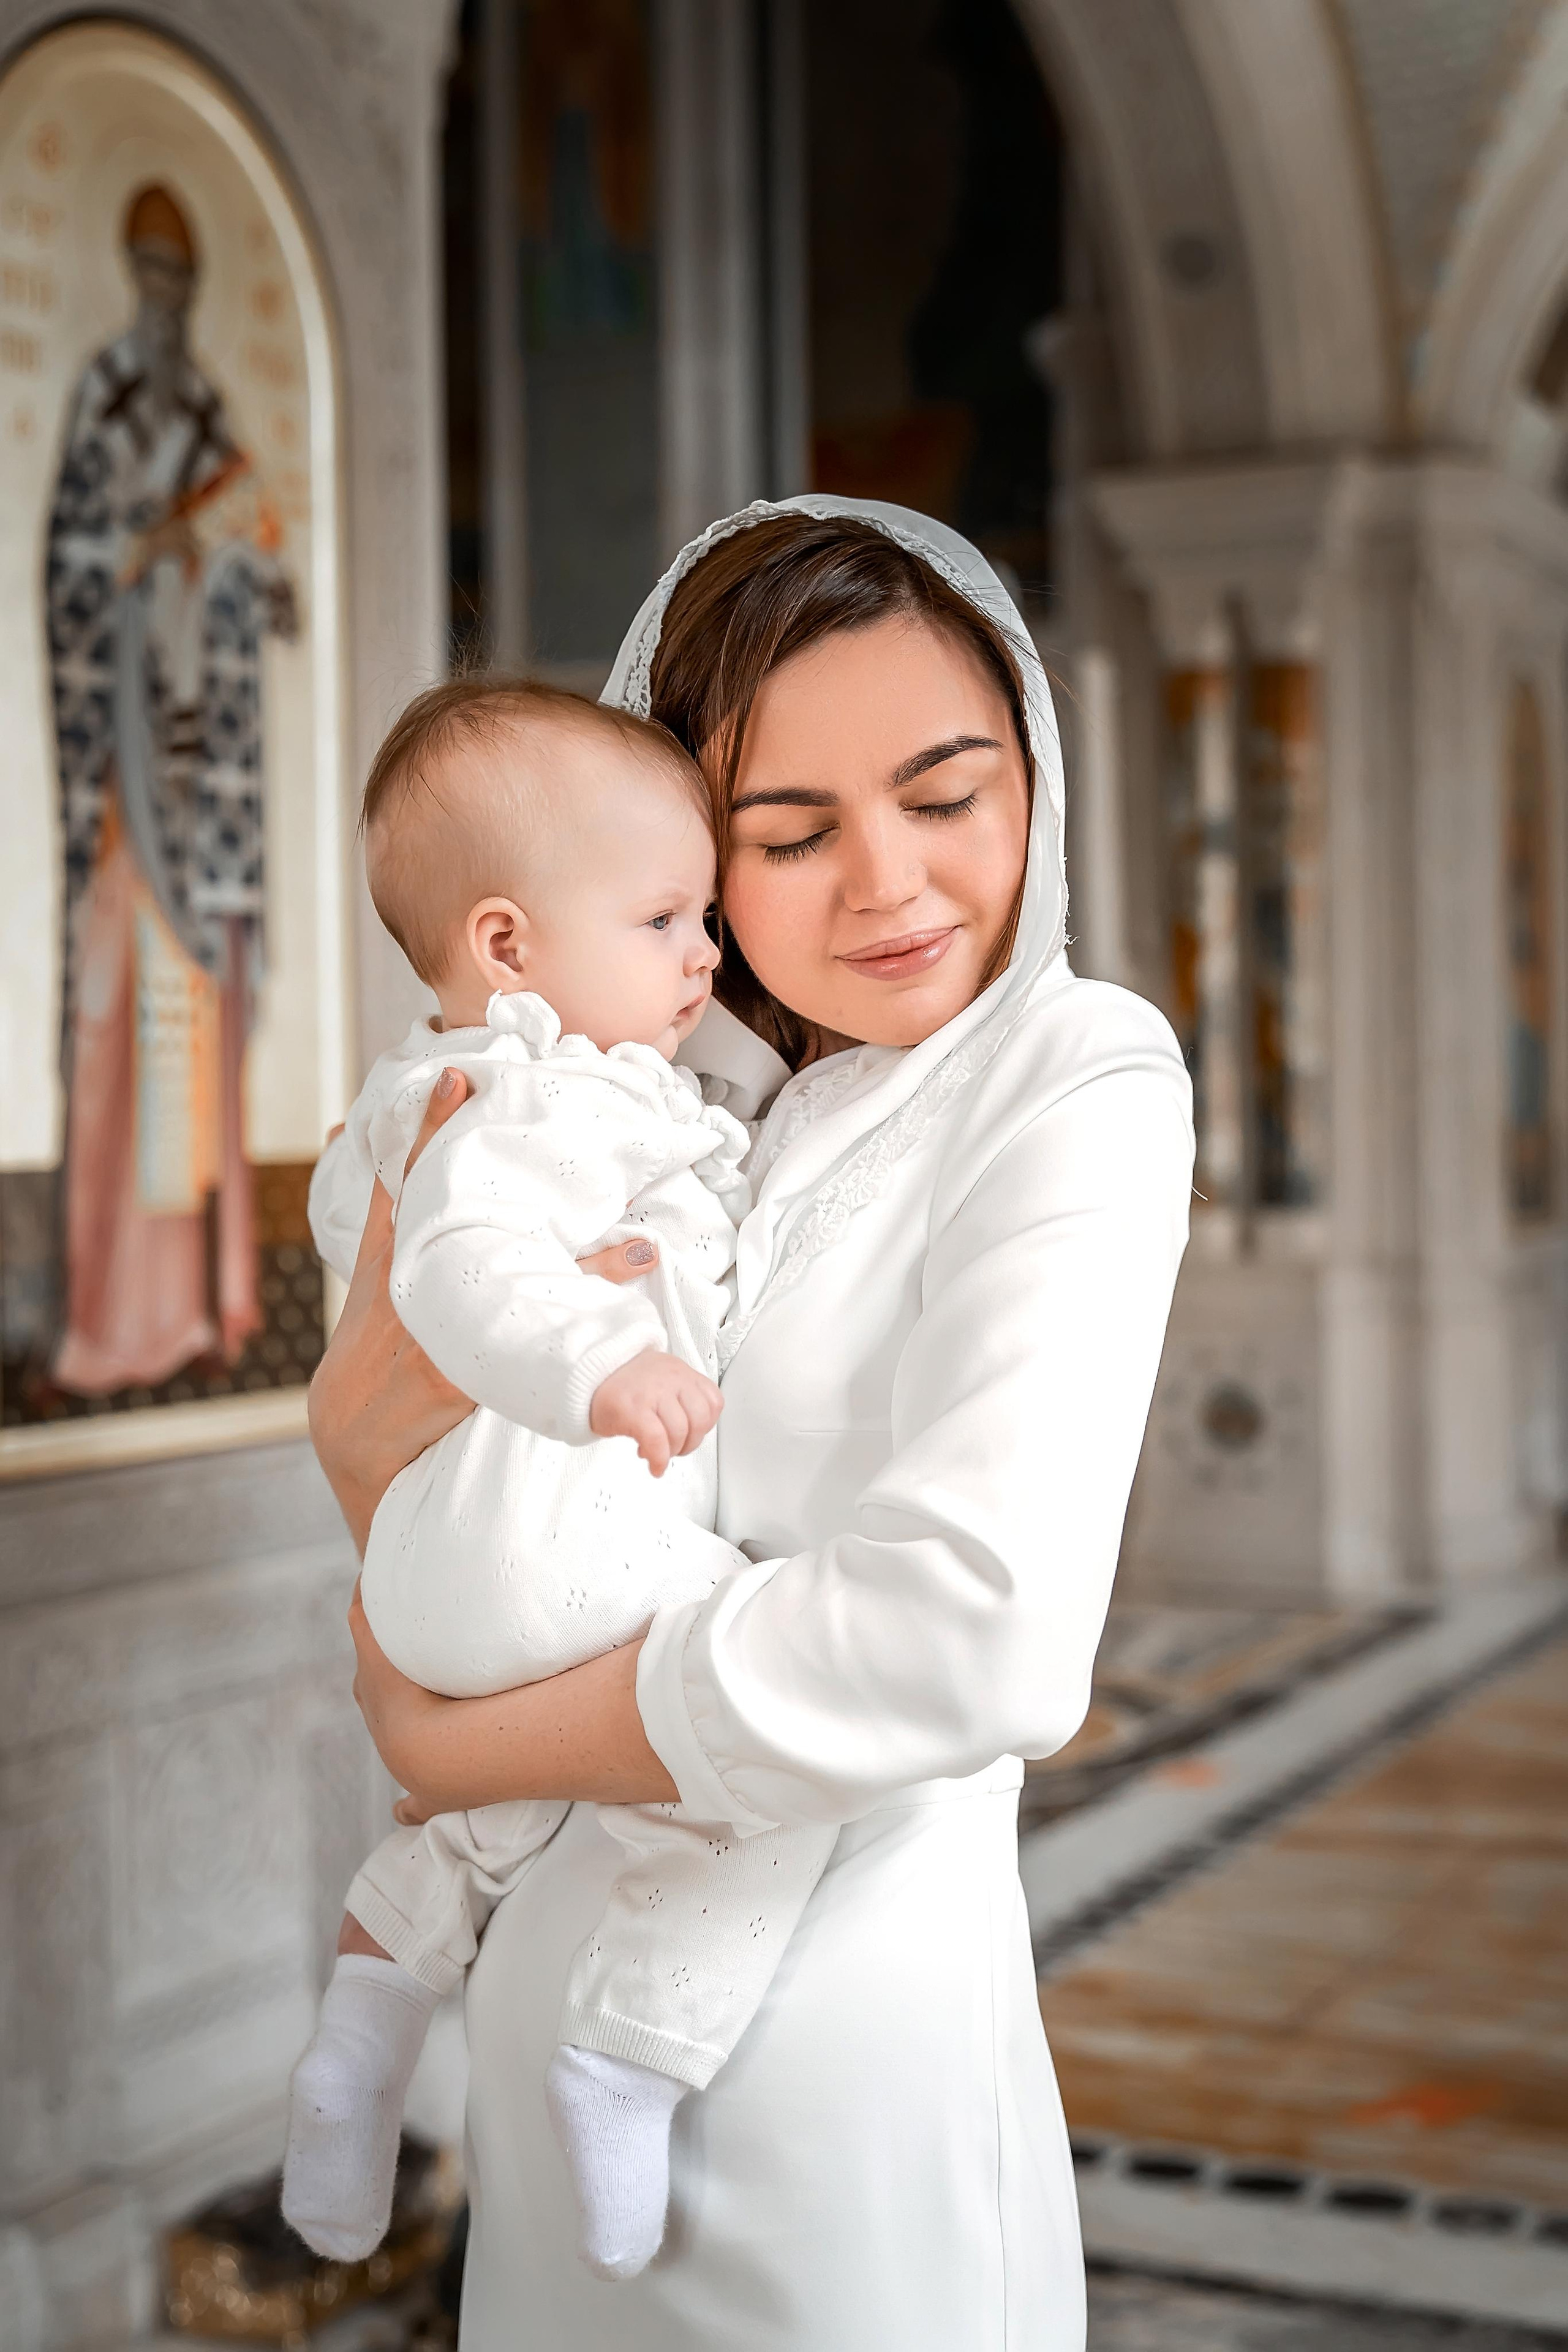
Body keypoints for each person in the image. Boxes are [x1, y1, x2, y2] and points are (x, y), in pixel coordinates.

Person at [311, 497, 1194, 2348]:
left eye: (945, 797)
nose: (887, 883)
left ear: (1033, 777)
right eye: (787, 837)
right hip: (542, 2060)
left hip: (833, 2087)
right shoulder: (662, 1113)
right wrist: (359, 1451)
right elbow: (422, 1449)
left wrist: (449, 1739)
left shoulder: (1073, 1075)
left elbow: (974, 1635)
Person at [281, 679, 832, 2280]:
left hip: (451, 1563)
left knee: (487, 1822)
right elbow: (463, 1271)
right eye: (665, 920)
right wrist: (598, 1367)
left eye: (705, 918)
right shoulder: (528, 1091)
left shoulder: (454, 1083)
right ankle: (635, 2049)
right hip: (539, 1522)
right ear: (508, 947)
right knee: (781, 1721)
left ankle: (360, 2035)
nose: (703, 957)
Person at [47, 180, 296, 1395]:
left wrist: (232, 564)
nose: (164, 302)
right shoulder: (103, 403)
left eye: (180, 283)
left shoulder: (204, 415)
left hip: (216, 808)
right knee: (124, 1046)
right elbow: (73, 575)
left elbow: (267, 573)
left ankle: (202, 1310)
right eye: (150, 277)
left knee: (202, 1043)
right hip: (131, 800)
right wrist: (149, 558)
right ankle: (112, 1323)